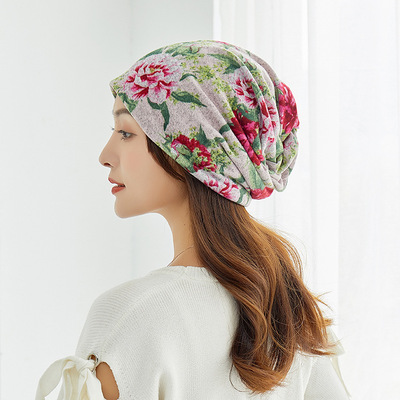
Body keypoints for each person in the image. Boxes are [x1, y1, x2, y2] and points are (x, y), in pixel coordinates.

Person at [36, 39, 351, 400]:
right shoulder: (294, 313)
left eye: (126, 133)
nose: (105, 155)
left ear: (190, 151)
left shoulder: (131, 314)